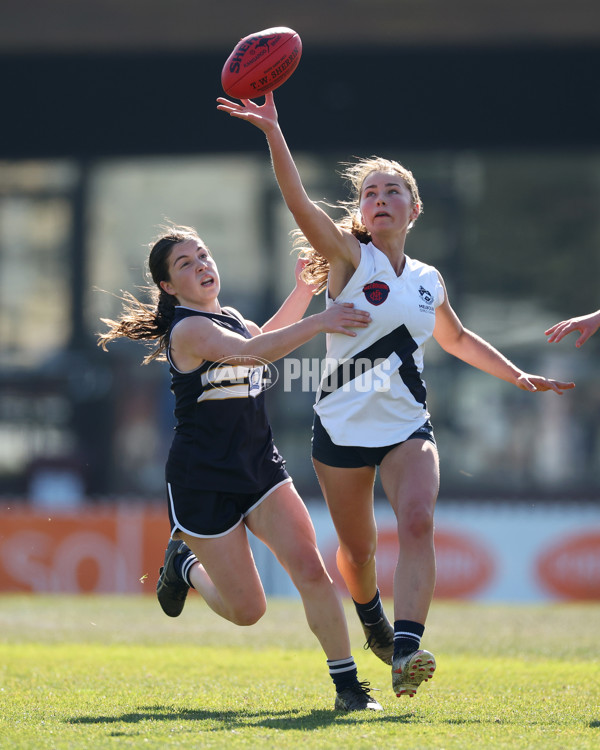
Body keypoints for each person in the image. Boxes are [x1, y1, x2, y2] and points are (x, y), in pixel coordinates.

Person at [216, 92, 576, 699]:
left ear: (415, 208)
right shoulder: (347, 258)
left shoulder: (428, 279)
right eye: (370, 194)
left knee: (418, 520)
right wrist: (275, 132)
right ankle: (372, 620)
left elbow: (457, 339)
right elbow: (299, 201)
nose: (380, 201)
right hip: (341, 432)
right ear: (361, 211)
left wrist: (518, 376)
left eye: (393, 192)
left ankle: (406, 648)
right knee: (359, 555)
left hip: (409, 427)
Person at [98, 223, 384, 712]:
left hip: (260, 469)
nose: (202, 266)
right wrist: (321, 319)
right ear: (168, 287)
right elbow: (252, 353)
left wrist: (302, 292)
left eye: (203, 255)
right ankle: (186, 567)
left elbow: (263, 337)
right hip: (202, 480)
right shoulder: (188, 329)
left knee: (312, 571)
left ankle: (349, 689)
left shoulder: (226, 317)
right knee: (249, 611)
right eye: (185, 264)